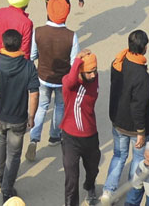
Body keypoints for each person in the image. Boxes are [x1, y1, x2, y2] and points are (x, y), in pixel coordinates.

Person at [0, 29, 39, 202]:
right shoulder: (28, 66)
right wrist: (31, 116)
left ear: (3, 43)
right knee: (14, 155)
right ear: (21, 44)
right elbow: (34, 94)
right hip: (18, 120)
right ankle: (7, 189)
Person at [27, 0, 77, 163]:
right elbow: (74, 61)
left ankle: (34, 138)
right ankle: (54, 136)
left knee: (41, 106)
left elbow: (33, 56)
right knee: (60, 106)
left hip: (42, 77)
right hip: (62, 80)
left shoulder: (38, 32)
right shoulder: (71, 36)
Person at [104, 30, 149, 203]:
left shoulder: (118, 62)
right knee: (137, 158)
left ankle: (108, 191)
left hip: (117, 121)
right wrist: (141, 131)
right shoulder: (141, 75)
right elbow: (139, 106)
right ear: (144, 48)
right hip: (134, 126)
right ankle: (132, 191)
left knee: (118, 155)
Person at [61, 50, 102, 206]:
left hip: (91, 135)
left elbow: (93, 73)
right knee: (71, 179)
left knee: (93, 169)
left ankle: (90, 185)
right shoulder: (70, 84)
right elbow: (70, 80)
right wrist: (77, 59)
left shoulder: (94, 79)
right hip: (70, 138)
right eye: (89, 72)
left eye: (95, 71)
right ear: (80, 71)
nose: (93, 75)